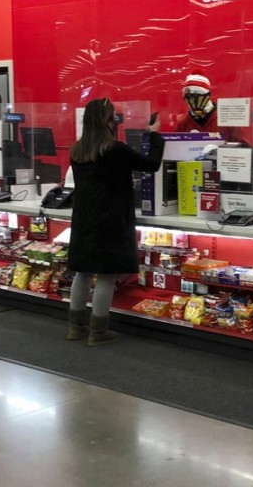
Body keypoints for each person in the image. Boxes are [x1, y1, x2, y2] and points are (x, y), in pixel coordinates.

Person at [66, 98, 164, 345]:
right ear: (106, 121)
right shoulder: (115, 149)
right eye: (113, 118)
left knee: (83, 273)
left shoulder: (77, 150)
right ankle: (98, 332)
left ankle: (75, 327)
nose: (116, 121)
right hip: (110, 220)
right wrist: (153, 134)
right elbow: (151, 165)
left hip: (84, 219)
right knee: (107, 276)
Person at [173, 70, 247, 143]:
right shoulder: (183, 123)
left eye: (197, 96)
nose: (193, 101)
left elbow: (243, 147)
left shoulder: (227, 117)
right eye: (189, 97)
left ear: (208, 95)